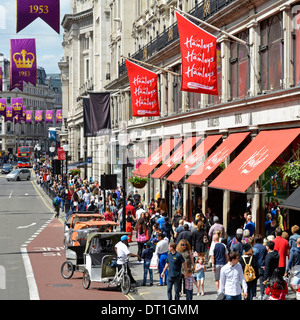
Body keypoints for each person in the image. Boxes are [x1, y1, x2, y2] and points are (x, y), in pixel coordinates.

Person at [253, 234, 267, 299]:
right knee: (262, 281)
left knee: (254, 281)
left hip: (255, 266)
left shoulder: (254, 247)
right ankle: (262, 293)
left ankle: (254, 294)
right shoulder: (264, 247)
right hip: (262, 265)